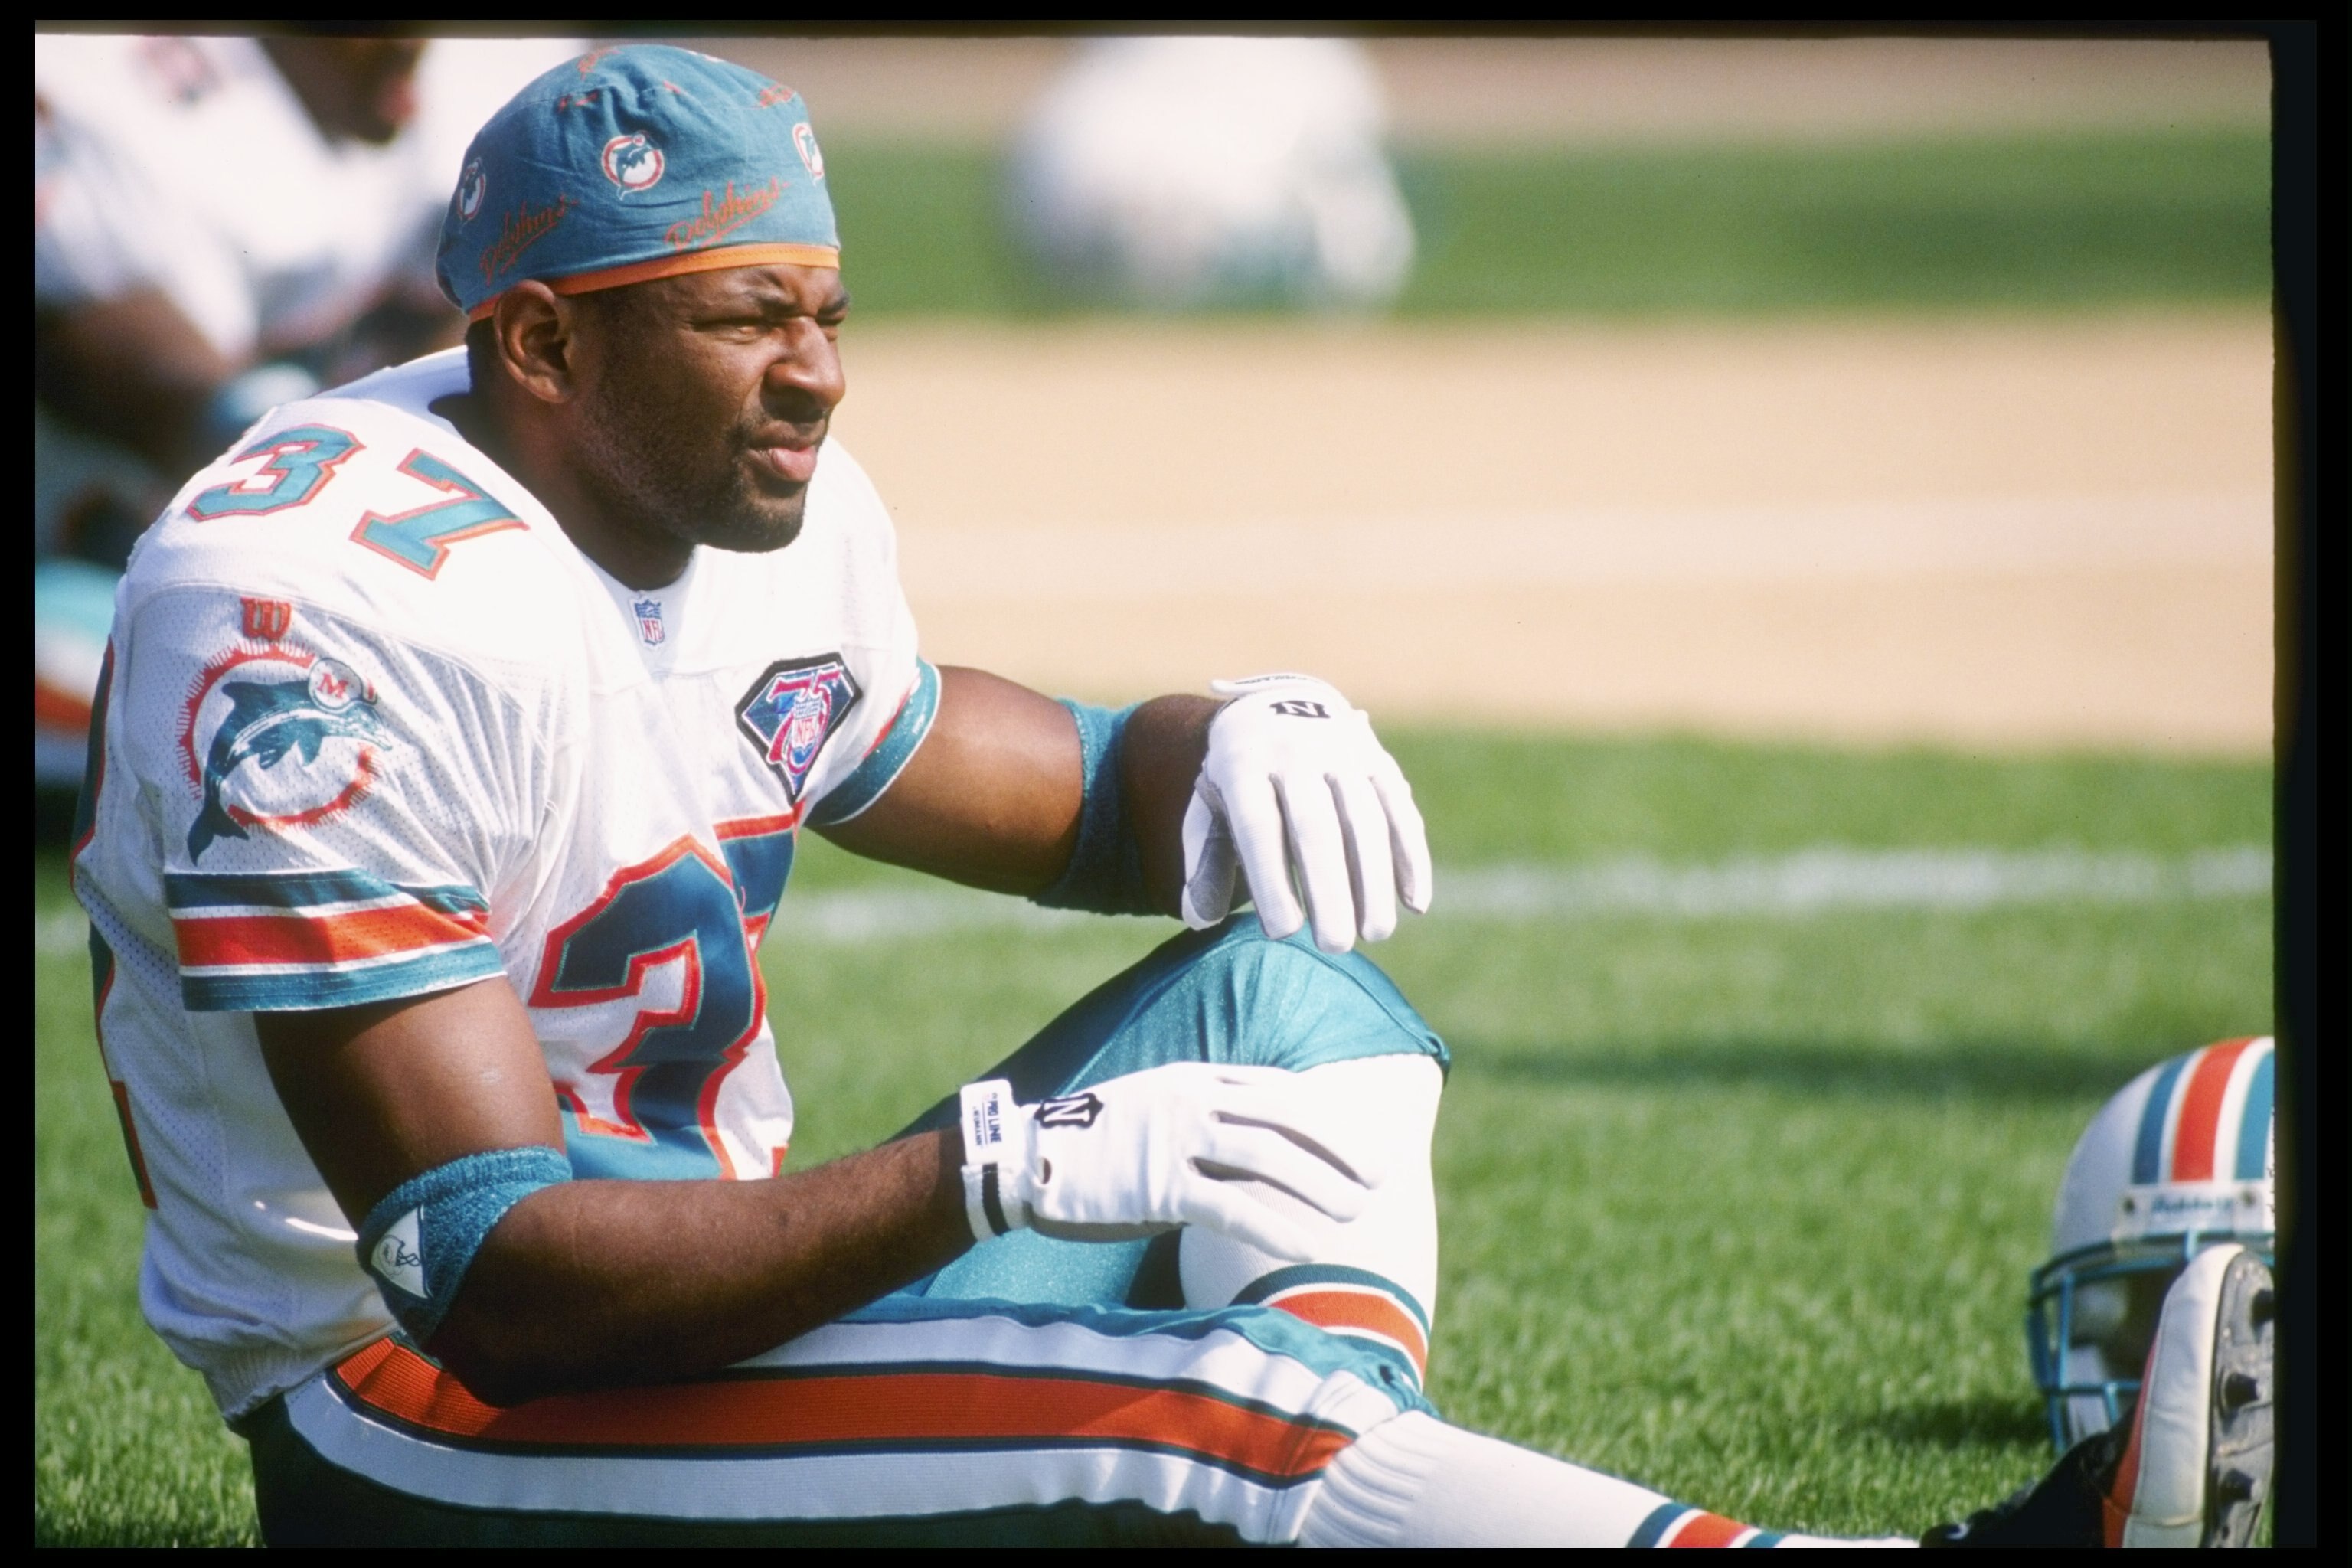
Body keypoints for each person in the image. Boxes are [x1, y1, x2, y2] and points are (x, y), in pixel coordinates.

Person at [70, 46, 2269, 1547]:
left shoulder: (755, 508)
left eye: (830, 309)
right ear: (543, 348)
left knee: (1293, 1006)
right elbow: (489, 1280)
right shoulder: (305, 609)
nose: (821, 375)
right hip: (421, 1422)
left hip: (710, 1300)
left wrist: (1233, 738)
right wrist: (986, 1169)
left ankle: (1321, 1488)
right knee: (1197, 1432)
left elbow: (1076, 797)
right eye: (752, 318)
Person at [34, 31, 575, 798]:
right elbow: (179, 400)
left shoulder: (501, 72)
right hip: (103, 563)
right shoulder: (103, 93)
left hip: (338, 547)